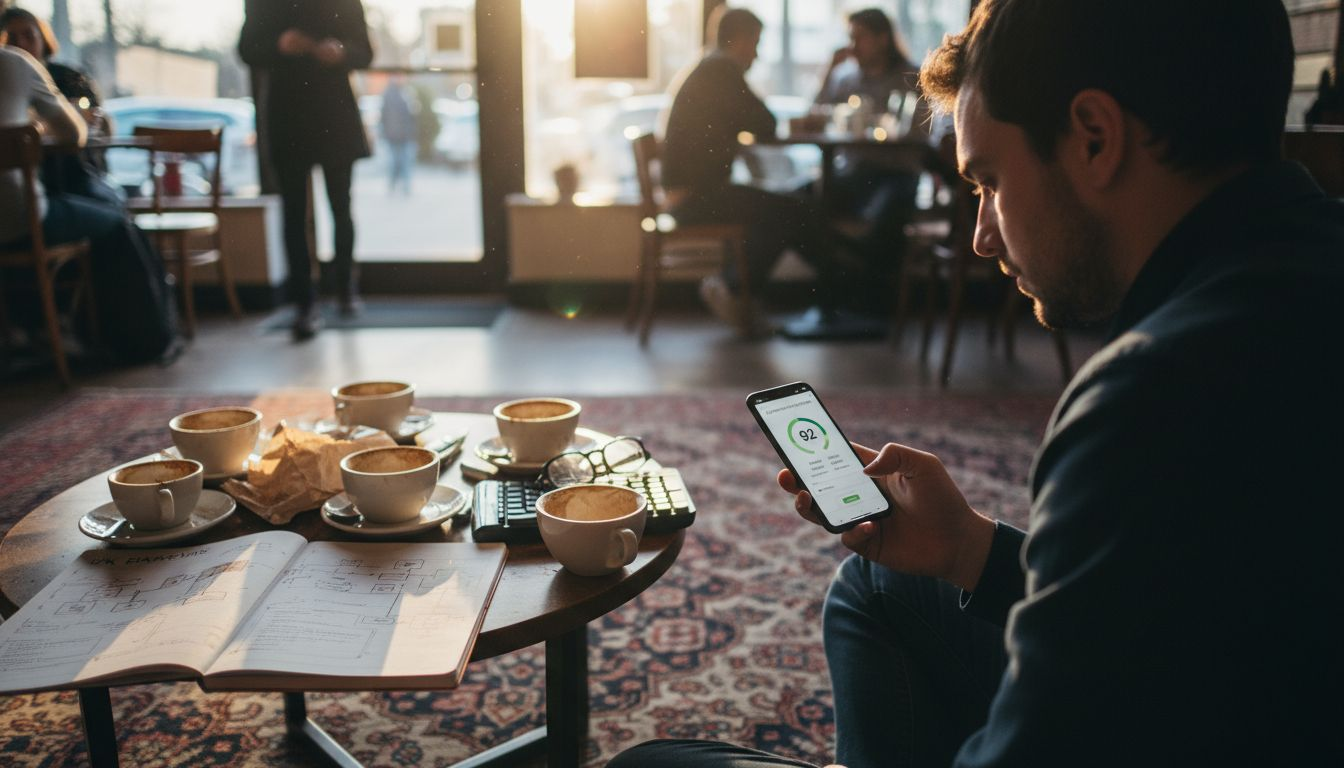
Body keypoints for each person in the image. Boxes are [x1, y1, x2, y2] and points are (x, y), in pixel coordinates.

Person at [610, 0, 1344, 766]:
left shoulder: (1149, 400)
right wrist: (969, 547)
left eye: (988, 181)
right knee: (875, 586)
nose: (983, 235)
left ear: (1095, 138)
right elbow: (1198, 614)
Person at [1, 25, 179, 366]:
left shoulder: (62, 73)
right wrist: (35, 126)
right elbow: (75, 134)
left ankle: (34, 327)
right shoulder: (16, 64)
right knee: (115, 222)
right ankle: (141, 338)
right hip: (19, 216)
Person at [661, 6, 843, 338]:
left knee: (785, 209)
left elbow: (754, 122)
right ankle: (736, 290)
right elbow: (764, 122)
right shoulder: (721, 70)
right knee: (791, 211)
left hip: (689, 195)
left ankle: (742, 291)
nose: (756, 55)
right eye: (755, 44)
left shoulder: (708, 68)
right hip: (696, 198)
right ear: (740, 40)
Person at [238, 0, 373, 340]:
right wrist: (279, 45)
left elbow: (365, 52)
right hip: (287, 117)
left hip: (334, 114)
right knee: (294, 214)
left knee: (341, 206)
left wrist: (341, 52)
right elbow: (247, 50)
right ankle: (304, 302)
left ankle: (345, 287)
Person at [812, 8, 933, 311]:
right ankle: (835, 297)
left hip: (896, 172)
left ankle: (871, 303)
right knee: (802, 199)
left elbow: (920, 134)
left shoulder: (911, 78)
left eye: (859, 38)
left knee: (883, 215)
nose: (852, 46)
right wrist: (828, 70)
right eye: (850, 38)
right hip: (853, 171)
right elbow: (815, 118)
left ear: (882, 39)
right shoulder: (845, 79)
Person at [1, 6, 122, 207]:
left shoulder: (69, 77)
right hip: (33, 187)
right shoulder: (8, 75)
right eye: (12, 37)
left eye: (28, 36)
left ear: (43, 39)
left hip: (75, 169)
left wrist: (96, 120)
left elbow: (98, 120)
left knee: (107, 200)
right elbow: (72, 131)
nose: (20, 44)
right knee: (111, 210)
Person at [379, 76, 417, 196]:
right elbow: (386, 117)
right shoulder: (392, 95)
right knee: (397, 162)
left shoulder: (405, 93)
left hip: (402, 135)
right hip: (395, 135)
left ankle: (401, 187)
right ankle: (396, 186)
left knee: (402, 162)